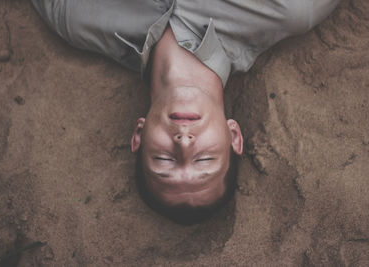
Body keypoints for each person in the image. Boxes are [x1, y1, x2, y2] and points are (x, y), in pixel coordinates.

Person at [31, 0, 340, 224]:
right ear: (234, 135)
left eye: (164, 159)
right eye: (204, 158)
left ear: (139, 135)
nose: (184, 141)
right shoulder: (291, 9)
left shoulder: (73, 17)